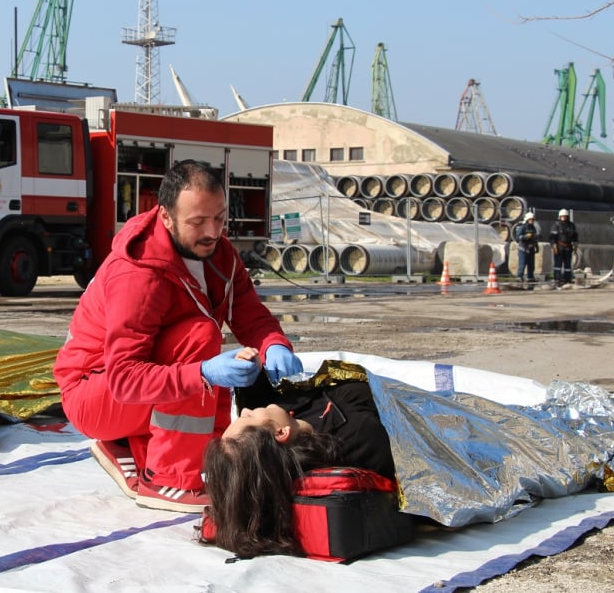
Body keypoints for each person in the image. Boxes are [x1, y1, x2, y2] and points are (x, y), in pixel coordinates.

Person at [52, 160, 303, 513]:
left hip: (124, 392)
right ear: (166, 217)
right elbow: (124, 379)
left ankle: (150, 450)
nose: (212, 231)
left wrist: (273, 343)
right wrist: (202, 373)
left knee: (206, 347)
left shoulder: (219, 254)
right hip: (93, 393)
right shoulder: (137, 275)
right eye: (198, 221)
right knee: (200, 339)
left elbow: (249, 313)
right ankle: (168, 478)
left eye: (219, 218)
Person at [200, 361, 396, 558]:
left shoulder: (284, 424)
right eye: (248, 417)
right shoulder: (355, 435)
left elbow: (258, 396)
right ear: (280, 433)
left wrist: (250, 364)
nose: (243, 411)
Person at [549, 208, 579, 286]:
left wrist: (575, 246)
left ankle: (567, 279)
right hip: (559, 247)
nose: (564, 217)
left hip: (568, 247)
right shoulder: (556, 225)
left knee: (568, 265)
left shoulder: (571, 225)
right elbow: (552, 237)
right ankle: (557, 279)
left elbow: (575, 237)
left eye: (565, 216)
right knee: (558, 265)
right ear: (559, 216)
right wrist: (554, 246)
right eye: (562, 216)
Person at [514, 211, 540, 283]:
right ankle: (519, 277)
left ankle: (530, 277)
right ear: (527, 219)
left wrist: (536, 247)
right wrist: (525, 236)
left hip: (531, 249)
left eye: (533, 219)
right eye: (530, 219)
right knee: (522, 264)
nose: (532, 221)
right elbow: (517, 238)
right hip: (523, 249)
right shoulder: (522, 227)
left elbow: (535, 238)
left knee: (531, 265)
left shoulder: (533, 228)